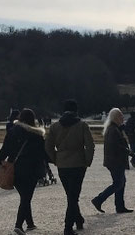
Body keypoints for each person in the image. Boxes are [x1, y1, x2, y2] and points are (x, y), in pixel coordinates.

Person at [0, 108, 48, 235]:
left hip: (14, 169)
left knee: (24, 196)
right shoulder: (37, 135)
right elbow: (43, 154)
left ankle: (30, 223)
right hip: (31, 169)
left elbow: (3, 151)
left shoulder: (12, 132)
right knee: (26, 198)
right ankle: (18, 225)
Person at [45, 99, 95, 235]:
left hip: (62, 163)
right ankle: (68, 227)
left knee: (71, 194)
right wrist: (87, 161)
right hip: (78, 163)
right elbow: (90, 145)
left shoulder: (55, 127)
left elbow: (48, 146)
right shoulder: (82, 125)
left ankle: (78, 219)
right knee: (73, 196)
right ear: (76, 110)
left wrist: (55, 159)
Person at [91, 108, 134, 214]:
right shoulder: (113, 130)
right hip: (115, 161)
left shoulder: (114, 128)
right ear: (115, 117)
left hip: (114, 160)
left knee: (121, 183)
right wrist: (128, 152)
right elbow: (117, 146)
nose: (123, 118)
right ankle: (99, 199)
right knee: (118, 183)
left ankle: (120, 206)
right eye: (121, 116)